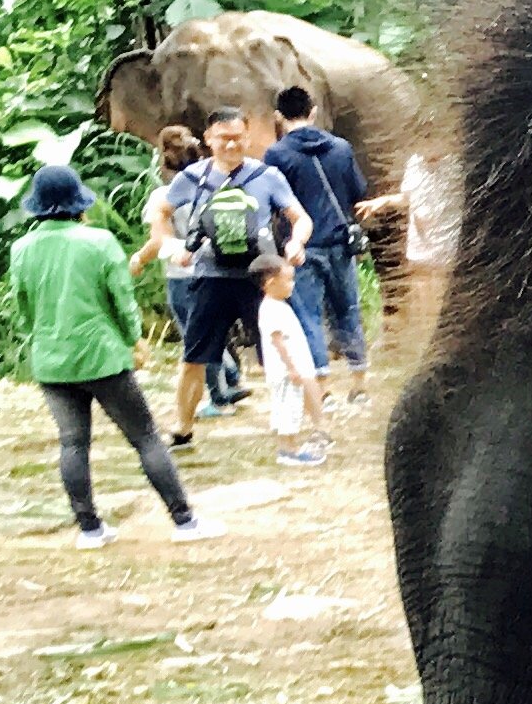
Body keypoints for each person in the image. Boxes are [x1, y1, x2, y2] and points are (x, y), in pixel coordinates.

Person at [5, 165, 209, 545]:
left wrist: (42, 337)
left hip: (51, 359)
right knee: (145, 437)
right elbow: (122, 301)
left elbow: (23, 308)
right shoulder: (99, 242)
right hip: (102, 356)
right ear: (78, 205)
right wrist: (134, 340)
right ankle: (184, 521)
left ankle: (89, 528)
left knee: (72, 443)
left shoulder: (22, 249)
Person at [145, 110, 311, 455]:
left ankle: (300, 428)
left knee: (282, 354)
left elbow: (300, 217)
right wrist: (171, 247)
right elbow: (160, 212)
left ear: (247, 137)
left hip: (260, 279)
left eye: (237, 136)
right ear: (208, 139)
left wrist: (296, 243)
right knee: (194, 357)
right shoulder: (192, 177)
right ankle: (182, 429)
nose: (231, 144)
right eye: (223, 137)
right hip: (209, 277)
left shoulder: (268, 176)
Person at [261, 98, 374, 402]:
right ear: (312, 112)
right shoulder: (341, 148)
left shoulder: (277, 154)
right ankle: (359, 382)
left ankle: (323, 388)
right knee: (347, 309)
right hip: (340, 244)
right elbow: (358, 192)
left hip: (300, 247)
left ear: (278, 116)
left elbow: (273, 201)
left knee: (308, 315)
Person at [255, 261, 330, 466]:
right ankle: (289, 450)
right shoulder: (271, 309)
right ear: (270, 283)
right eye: (288, 280)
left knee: (285, 408)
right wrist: (292, 368)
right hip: (286, 372)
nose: (293, 285)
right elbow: (277, 341)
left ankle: (287, 448)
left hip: (289, 371)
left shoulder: (278, 306)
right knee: (289, 409)